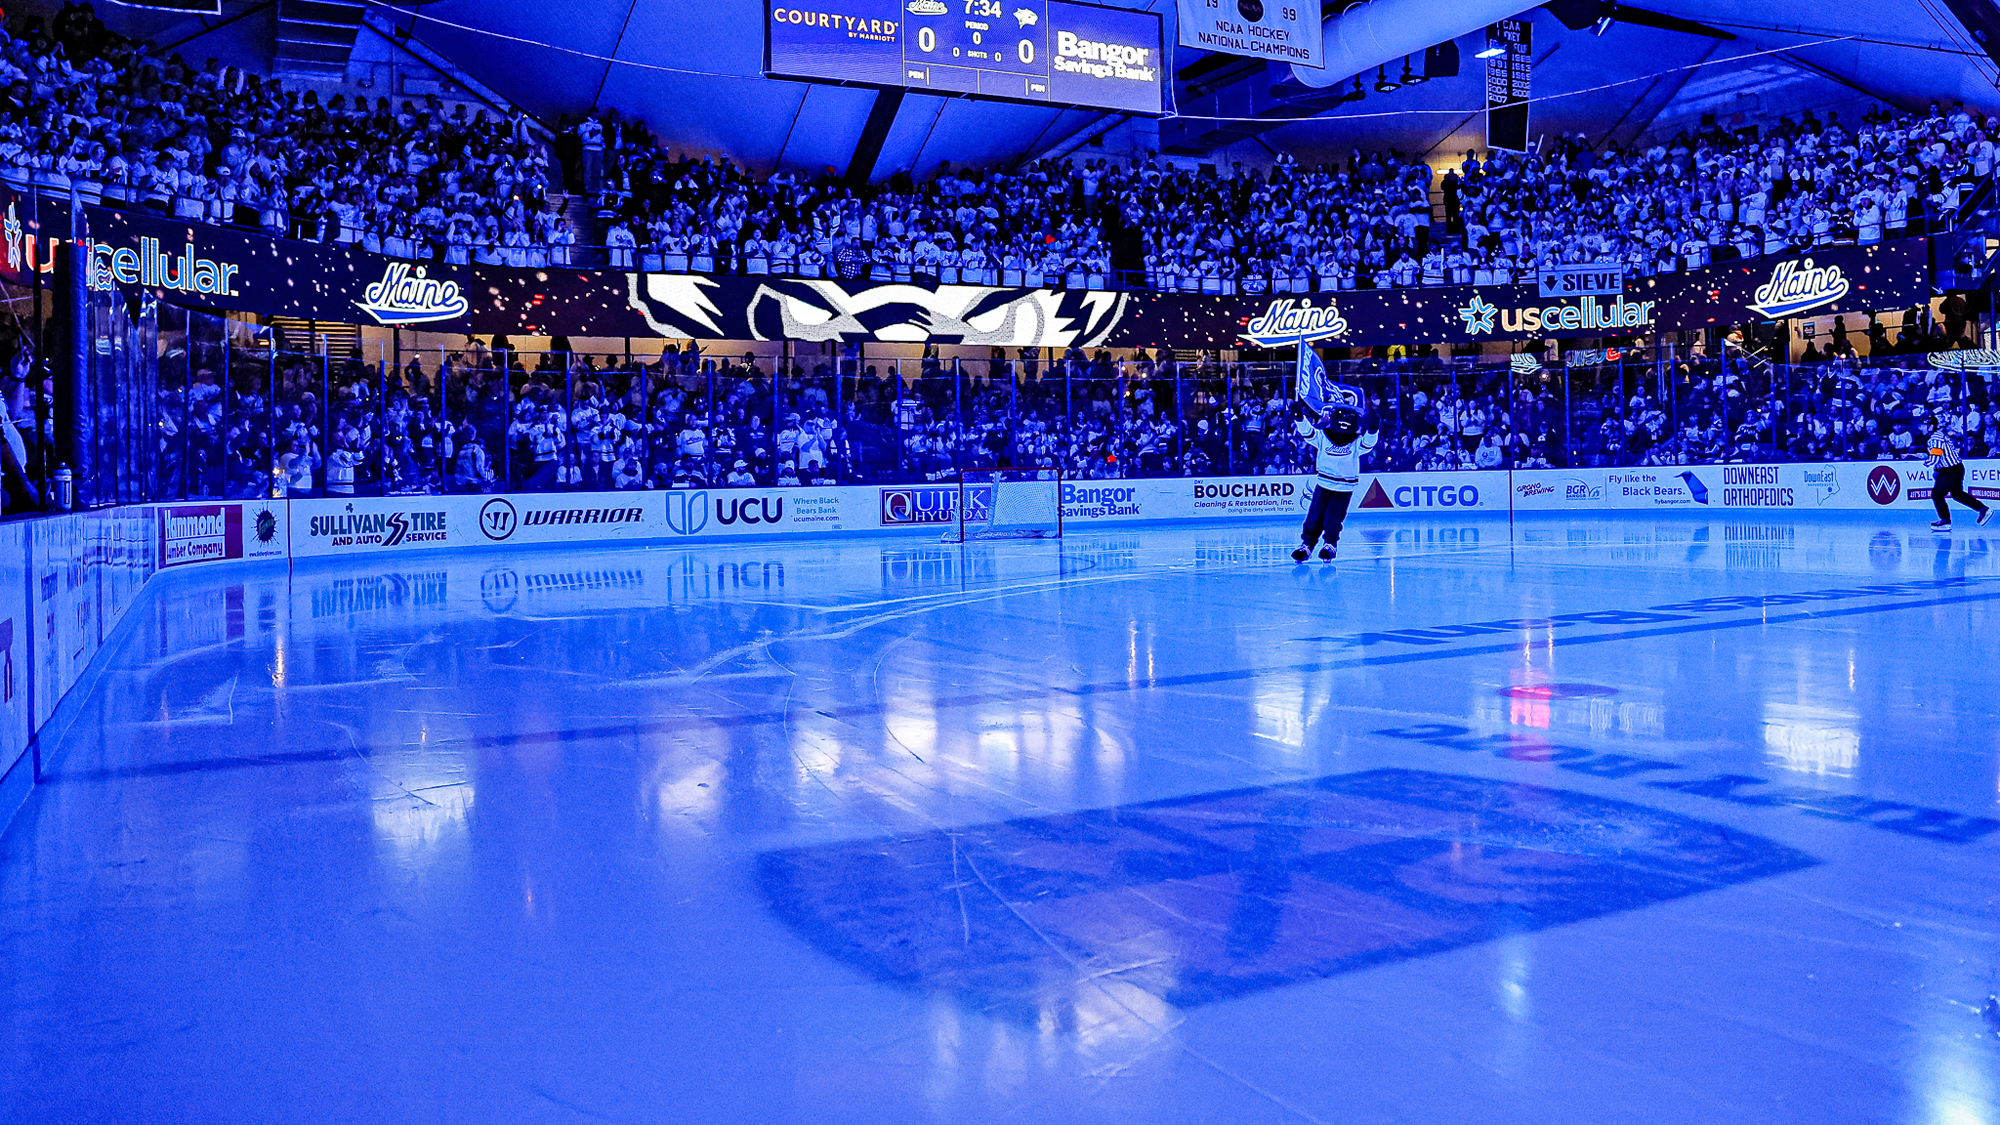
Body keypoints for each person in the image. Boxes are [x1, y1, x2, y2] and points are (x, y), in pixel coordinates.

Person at [1292, 400, 1377, 562]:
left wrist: (1373, 430)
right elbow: (1308, 433)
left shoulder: (1355, 441)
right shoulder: (1323, 436)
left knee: (1334, 517)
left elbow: (1368, 444)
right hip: (1323, 484)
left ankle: (1330, 545)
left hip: (1344, 487)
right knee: (1315, 515)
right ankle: (1307, 545)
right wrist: (1299, 417)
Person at [1927, 425, 1992, 531]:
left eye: (1923, 425)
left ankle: (1945, 520)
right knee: (1957, 494)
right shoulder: (1939, 436)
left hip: (1949, 469)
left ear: (1930, 426)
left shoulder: (1935, 438)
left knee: (1937, 494)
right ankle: (1982, 509)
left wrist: (1931, 465)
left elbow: (1936, 454)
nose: (1921, 427)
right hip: (1955, 467)